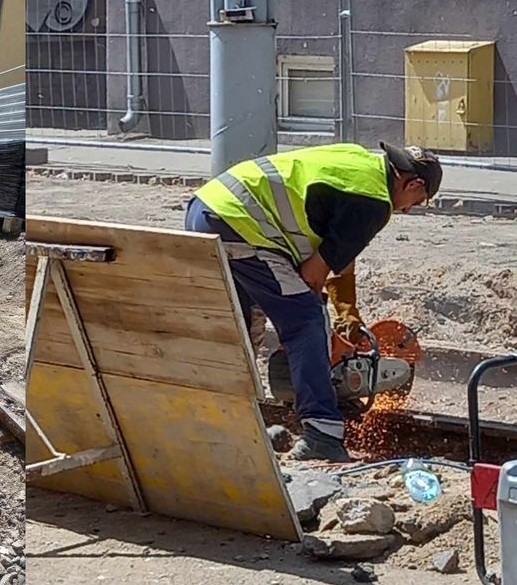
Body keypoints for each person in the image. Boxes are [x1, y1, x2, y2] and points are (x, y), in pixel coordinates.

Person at [184, 142, 442, 463]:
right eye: (416, 203)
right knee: (307, 319)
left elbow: (339, 253)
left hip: (208, 208)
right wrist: (324, 333)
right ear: (414, 184)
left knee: (243, 326)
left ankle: (233, 424)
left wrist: (347, 315)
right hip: (242, 225)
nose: (407, 210)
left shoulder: (359, 165)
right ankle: (323, 432)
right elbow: (312, 275)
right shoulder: (375, 202)